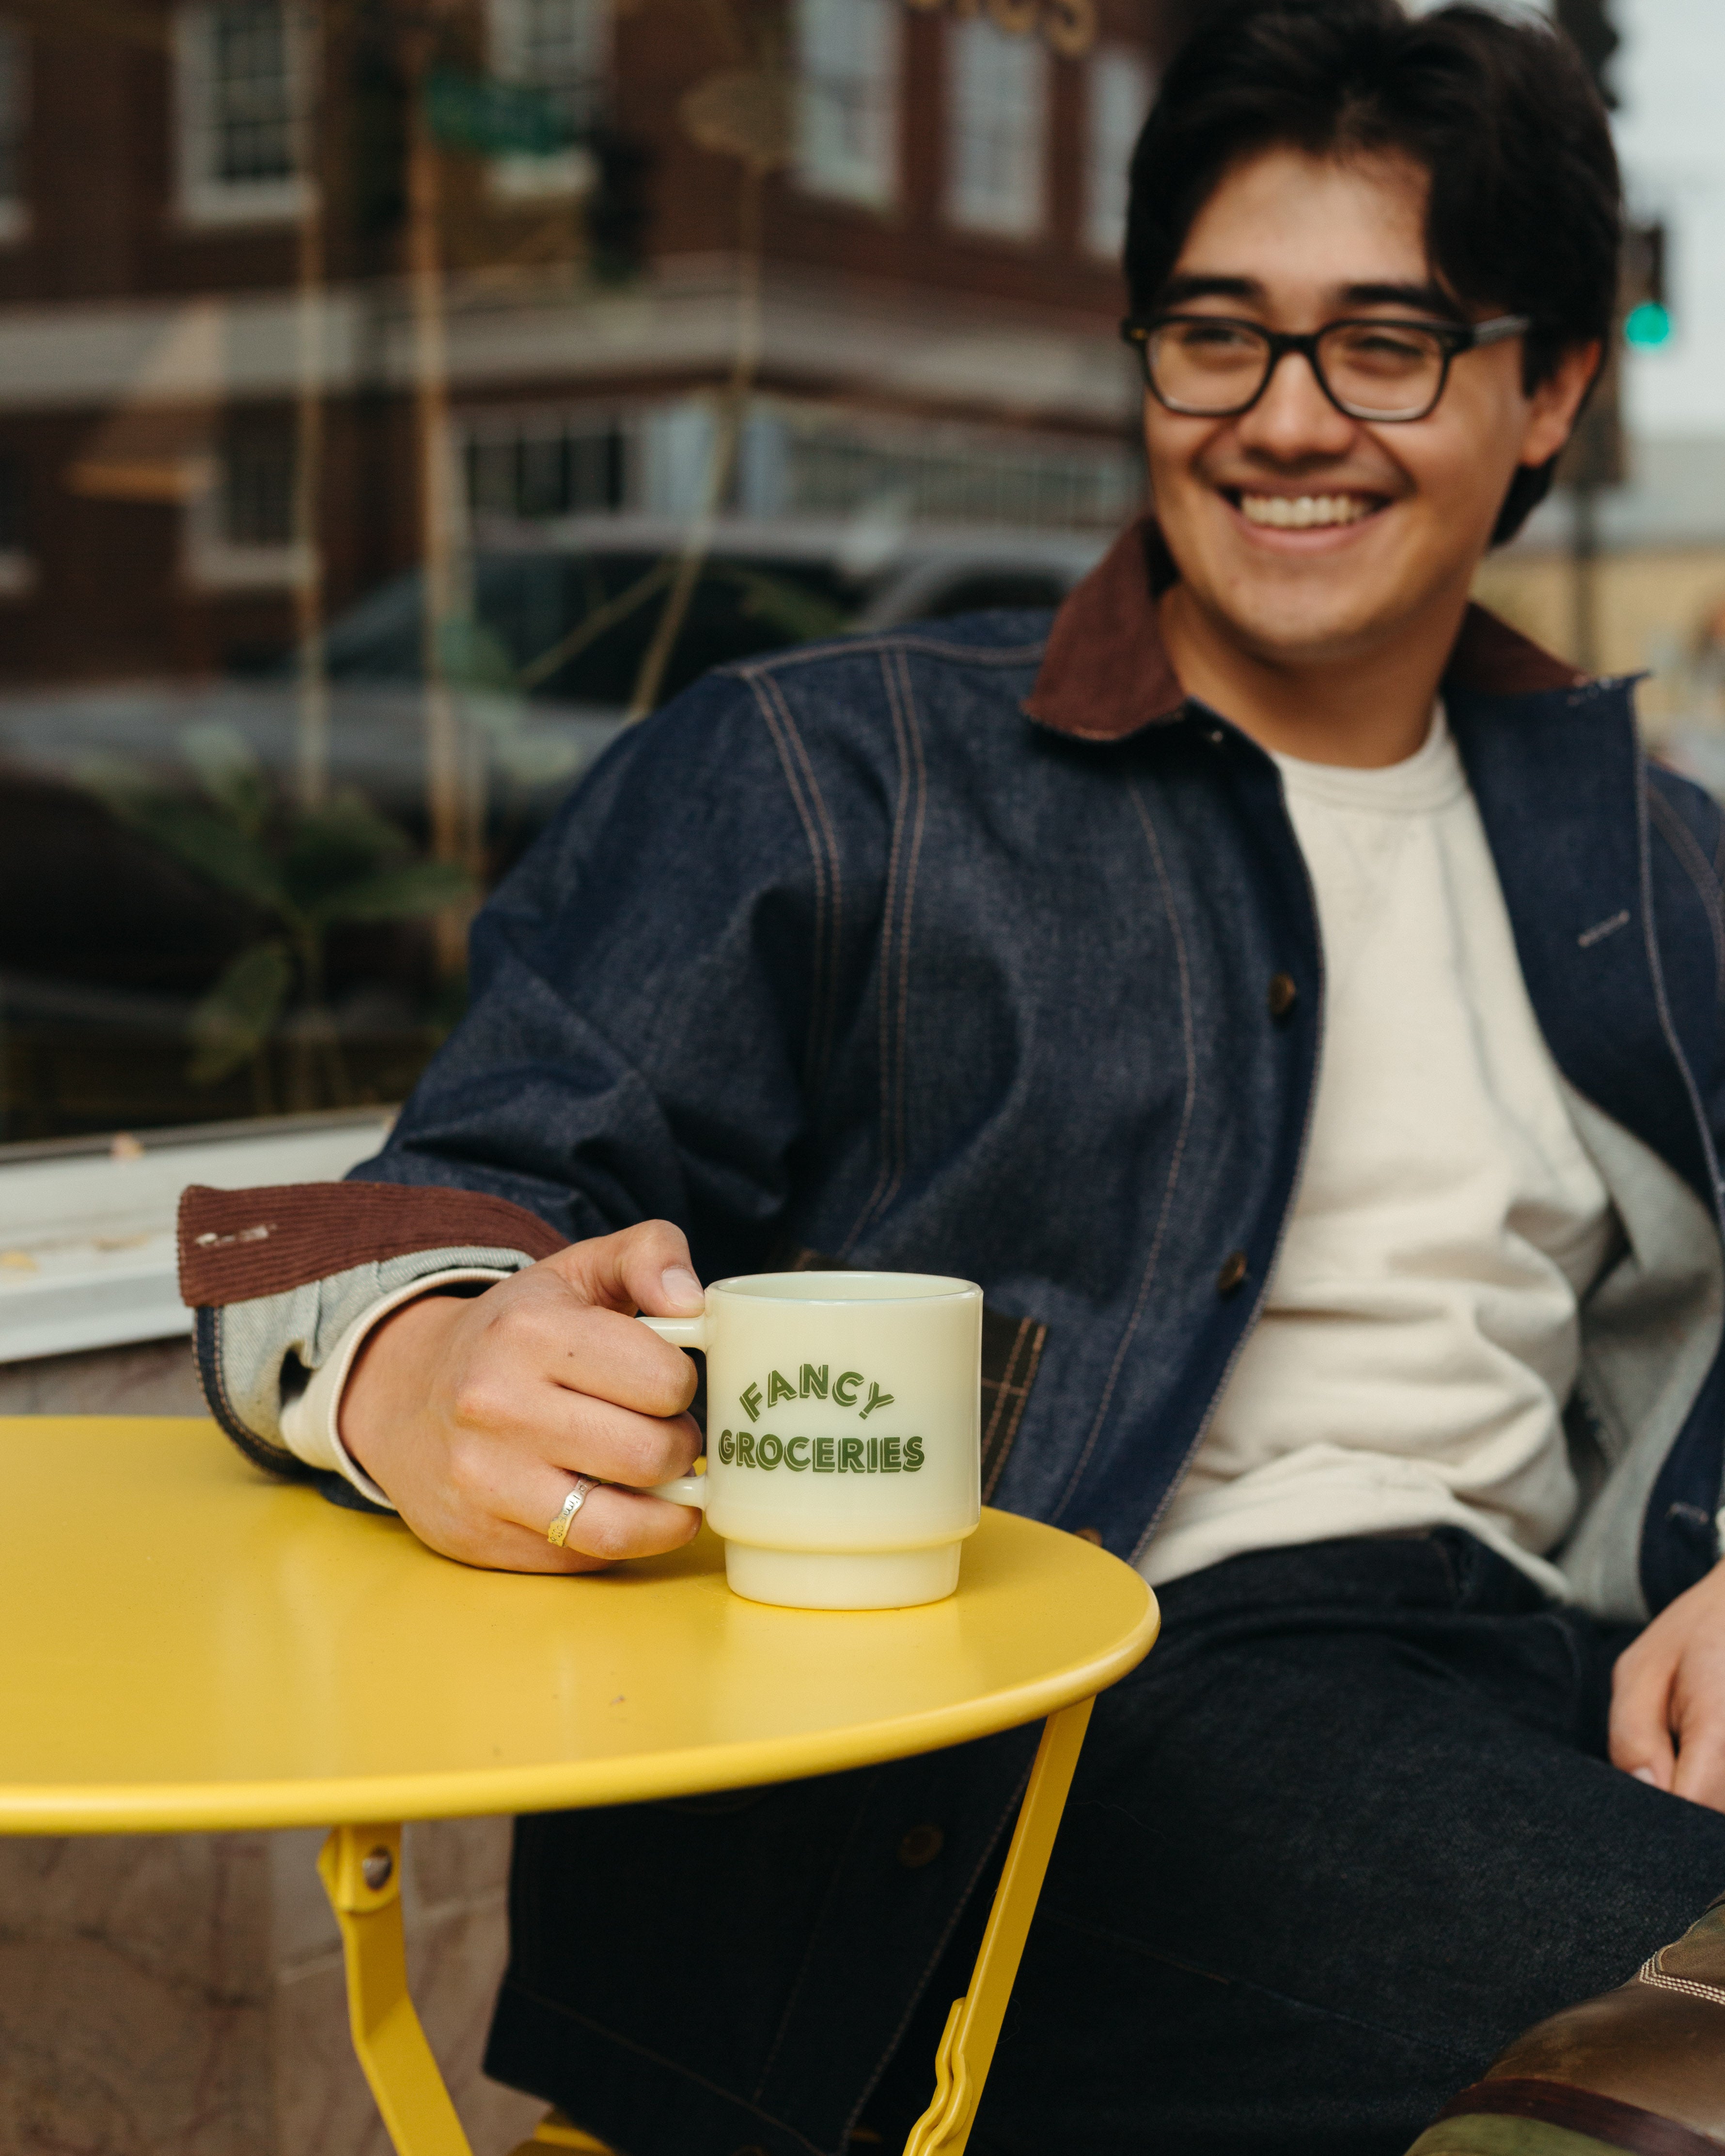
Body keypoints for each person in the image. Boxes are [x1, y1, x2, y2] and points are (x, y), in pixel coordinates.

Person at [178, 4, 1725, 2152]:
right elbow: (438, 1194)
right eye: (1217, 334)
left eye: (1386, 341)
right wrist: (430, 1370)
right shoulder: (835, 777)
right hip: (1075, 1721)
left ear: (1546, 382)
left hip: (1544, 1692)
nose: (1287, 421)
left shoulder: (1645, 863)